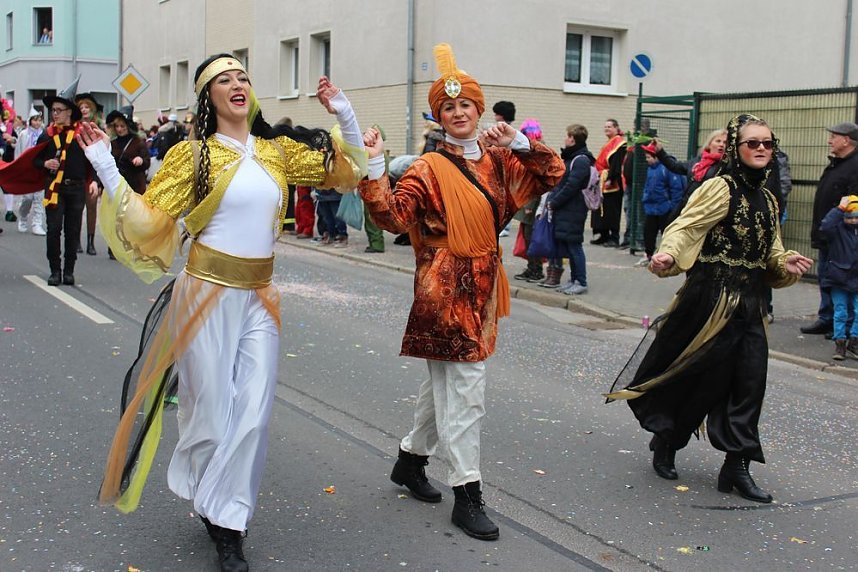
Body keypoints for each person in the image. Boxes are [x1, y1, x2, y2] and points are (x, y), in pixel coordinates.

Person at [76, 54, 366, 572]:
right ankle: (211, 494)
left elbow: (345, 172)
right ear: (208, 97)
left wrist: (342, 113)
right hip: (205, 292)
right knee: (209, 411)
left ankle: (229, 523)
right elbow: (147, 221)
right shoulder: (193, 156)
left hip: (259, 296)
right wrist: (104, 164)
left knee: (252, 413)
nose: (236, 85)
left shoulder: (276, 151)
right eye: (223, 80)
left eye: (243, 78)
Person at [359, 44, 564, 541]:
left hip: (484, 283)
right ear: (439, 116)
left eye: (465, 106)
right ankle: (467, 494)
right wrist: (373, 166)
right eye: (448, 108)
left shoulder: (499, 161)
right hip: (443, 289)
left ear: (479, 109)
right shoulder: (427, 168)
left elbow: (552, 173)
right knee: (466, 391)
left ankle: (410, 462)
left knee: (443, 386)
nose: (457, 113)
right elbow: (390, 217)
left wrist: (517, 140)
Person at [606, 114, 813, 504]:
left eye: (768, 143)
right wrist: (668, 253)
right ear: (736, 148)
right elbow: (686, 227)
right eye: (753, 143)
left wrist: (785, 263)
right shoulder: (720, 188)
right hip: (709, 298)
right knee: (697, 378)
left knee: (750, 383)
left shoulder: (768, 197)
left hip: (749, 303)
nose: (762, 150)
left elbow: (770, 251)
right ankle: (667, 438)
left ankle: (737, 466)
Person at [35, 78, 98, 286]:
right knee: (53, 230)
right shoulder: (47, 135)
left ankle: (69, 270)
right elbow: (34, 160)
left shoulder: (82, 134)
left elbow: (96, 160)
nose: (55, 114)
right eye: (53, 110)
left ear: (70, 112)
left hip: (77, 188)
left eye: (59, 110)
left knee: (72, 231)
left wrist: (95, 182)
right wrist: (45, 163)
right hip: (54, 189)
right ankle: (55, 271)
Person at [800, 122, 858, 337]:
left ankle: (844, 325)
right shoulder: (837, 163)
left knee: (842, 281)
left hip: (842, 238)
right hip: (828, 232)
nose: (829, 140)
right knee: (827, 277)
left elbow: (853, 204)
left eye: (834, 136)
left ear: (846, 140)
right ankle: (827, 318)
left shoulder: (854, 167)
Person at [545, 123, 593, 295]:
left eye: (567, 136)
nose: (565, 138)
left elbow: (571, 185)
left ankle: (581, 280)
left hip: (573, 208)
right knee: (569, 244)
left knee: (574, 245)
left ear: (573, 139)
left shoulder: (580, 160)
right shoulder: (573, 158)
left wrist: (555, 201)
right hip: (568, 208)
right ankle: (573, 279)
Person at [818, 195, 858, 360]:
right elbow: (825, 226)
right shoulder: (837, 229)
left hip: (855, 277)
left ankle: (854, 342)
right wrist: (839, 209)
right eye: (850, 217)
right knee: (840, 311)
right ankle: (840, 343)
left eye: (856, 217)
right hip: (838, 277)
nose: (853, 220)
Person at [635, 142, 685, 267]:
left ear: (656, 156)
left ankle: (668, 257)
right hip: (651, 208)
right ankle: (649, 254)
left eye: (649, 157)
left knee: (666, 233)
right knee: (649, 232)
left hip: (664, 208)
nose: (647, 160)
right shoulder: (650, 169)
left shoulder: (666, 169)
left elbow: (676, 189)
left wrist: (673, 207)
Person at [512, 118, 546, 283]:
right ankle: (532, 268)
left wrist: (530, 205)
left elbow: (535, 183)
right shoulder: (533, 151)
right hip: (527, 202)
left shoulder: (536, 153)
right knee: (527, 237)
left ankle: (536, 270)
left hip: (531, 204)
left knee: (531, 237)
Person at [75, 92, 105, 255]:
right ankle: (77, 240)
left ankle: (91, 242)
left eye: (87, 107)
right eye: (81, 107)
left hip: (93, 170)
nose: (84, 110)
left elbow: (102, 153)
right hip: (79, 170)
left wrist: (97, 180)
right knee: (77, 208)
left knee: (92, 207)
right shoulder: (75, 127)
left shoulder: (97, 127)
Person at [590, 119, 626, 246]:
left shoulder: (619, 144)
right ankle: (603, 235)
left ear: (616, 128)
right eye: (605, 127)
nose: (607, 129)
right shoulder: (609, 143)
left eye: (609, 127)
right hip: (603, 179)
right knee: (602, 208)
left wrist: (611, 178)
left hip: (612, 181)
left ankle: (614, 237)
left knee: (612, 209)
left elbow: (616, 163)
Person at [13, 106, 46, 235]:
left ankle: (37, 223)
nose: (37, 122)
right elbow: (19, 152)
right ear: (30, 120)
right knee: (27, 198)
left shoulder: (44, 134)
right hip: (27, 169)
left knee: (39, 197)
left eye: (39, 120)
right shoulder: (23, 134)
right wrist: (18, 168)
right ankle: (23, 217)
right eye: (35, 120)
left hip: (40, 169)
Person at [105, 105, 150, 195]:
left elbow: (147, 162)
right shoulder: (112, 143)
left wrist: (140, 160)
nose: (119, 129)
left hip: (134, 186)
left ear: (128, 126)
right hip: (117, 185)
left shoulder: (138, 142)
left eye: (122, 126)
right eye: (117, 126)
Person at [492, 101, 516, 238]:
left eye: (496, 114)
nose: (495, 116)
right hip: (503, 168)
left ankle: (504, 226)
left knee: (503, 198)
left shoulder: (504, 131)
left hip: (504, 169)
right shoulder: (507, 129)